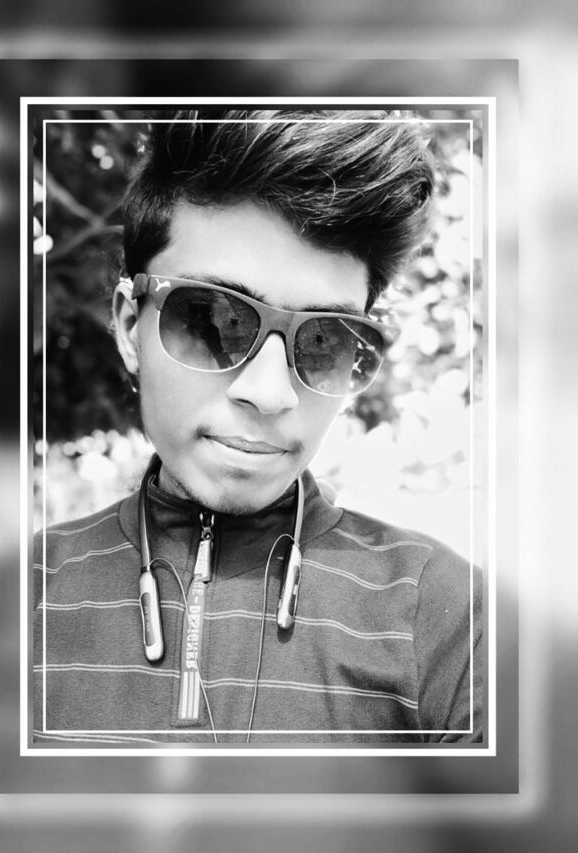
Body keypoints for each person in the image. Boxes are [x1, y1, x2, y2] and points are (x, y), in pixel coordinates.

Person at [34, 109, 482, 745]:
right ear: (131, 326)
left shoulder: (449, 618)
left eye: (325, 340)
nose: (269, 393)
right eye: (211, 318)